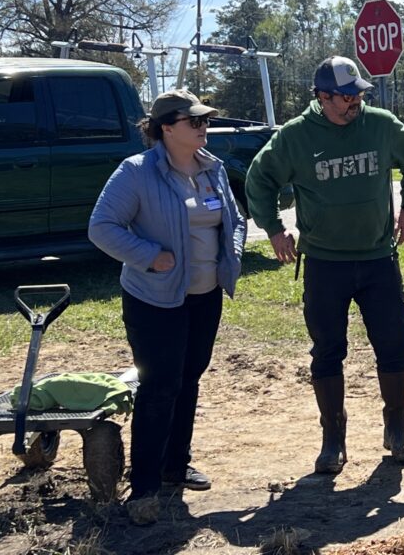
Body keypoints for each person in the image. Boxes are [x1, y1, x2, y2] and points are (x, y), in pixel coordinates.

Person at [244, 55, 404, 475]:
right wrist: (273, 229)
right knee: (327, 351)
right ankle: (333, 437)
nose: (355, 102)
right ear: (323, 97)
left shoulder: (380, 124)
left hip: (379, 258)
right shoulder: (296, 136)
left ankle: (396, 427)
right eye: (346, 96)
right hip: (325, 263)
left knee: (393, 341)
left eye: (359, 94)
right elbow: (260, 178)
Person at [89, 89, 246, 525]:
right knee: (159, 386)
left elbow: (235, 219)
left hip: (204, 295)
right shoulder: (136, 172)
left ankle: (175, 466)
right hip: (154, 299)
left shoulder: (211, 169)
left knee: (189, 377)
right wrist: (148, 255)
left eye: (205, 120)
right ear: (166, 128)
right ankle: (144, 487)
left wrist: (229, 255)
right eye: (194, 121)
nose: (203, 127)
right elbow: (101, 227)